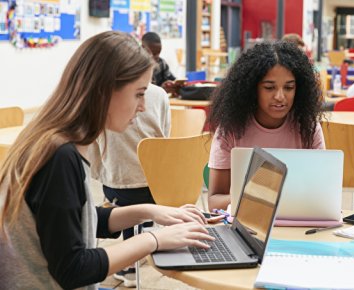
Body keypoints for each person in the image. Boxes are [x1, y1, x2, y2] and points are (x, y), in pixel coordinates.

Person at [0, 31, 213, 290]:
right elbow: (73, 269)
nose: (143, 106)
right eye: (138, 94)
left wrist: (149, 211)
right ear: (105, 91)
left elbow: (79, 222)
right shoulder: (59, 157)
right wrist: (154, 240)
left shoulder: (56, 141)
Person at [207, 41, 325, 211]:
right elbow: (214, 202)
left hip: (298, 223)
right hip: (247, 227)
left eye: (289, 87)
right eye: (269, 88)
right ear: (252, 88)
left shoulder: (308, 127)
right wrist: (262, 198)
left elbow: (321, 195)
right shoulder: (231, 129)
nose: (280, 96)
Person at [87, 83, 169, 287]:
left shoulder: (102, 98)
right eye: (139, 96)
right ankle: (140, 243)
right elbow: (165, 138)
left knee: (120, 186)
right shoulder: (160, 94)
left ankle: (132, 263)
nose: (142, 106)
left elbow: (95, 157)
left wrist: (104, 174)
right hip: (160, 182)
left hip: (120, 185)